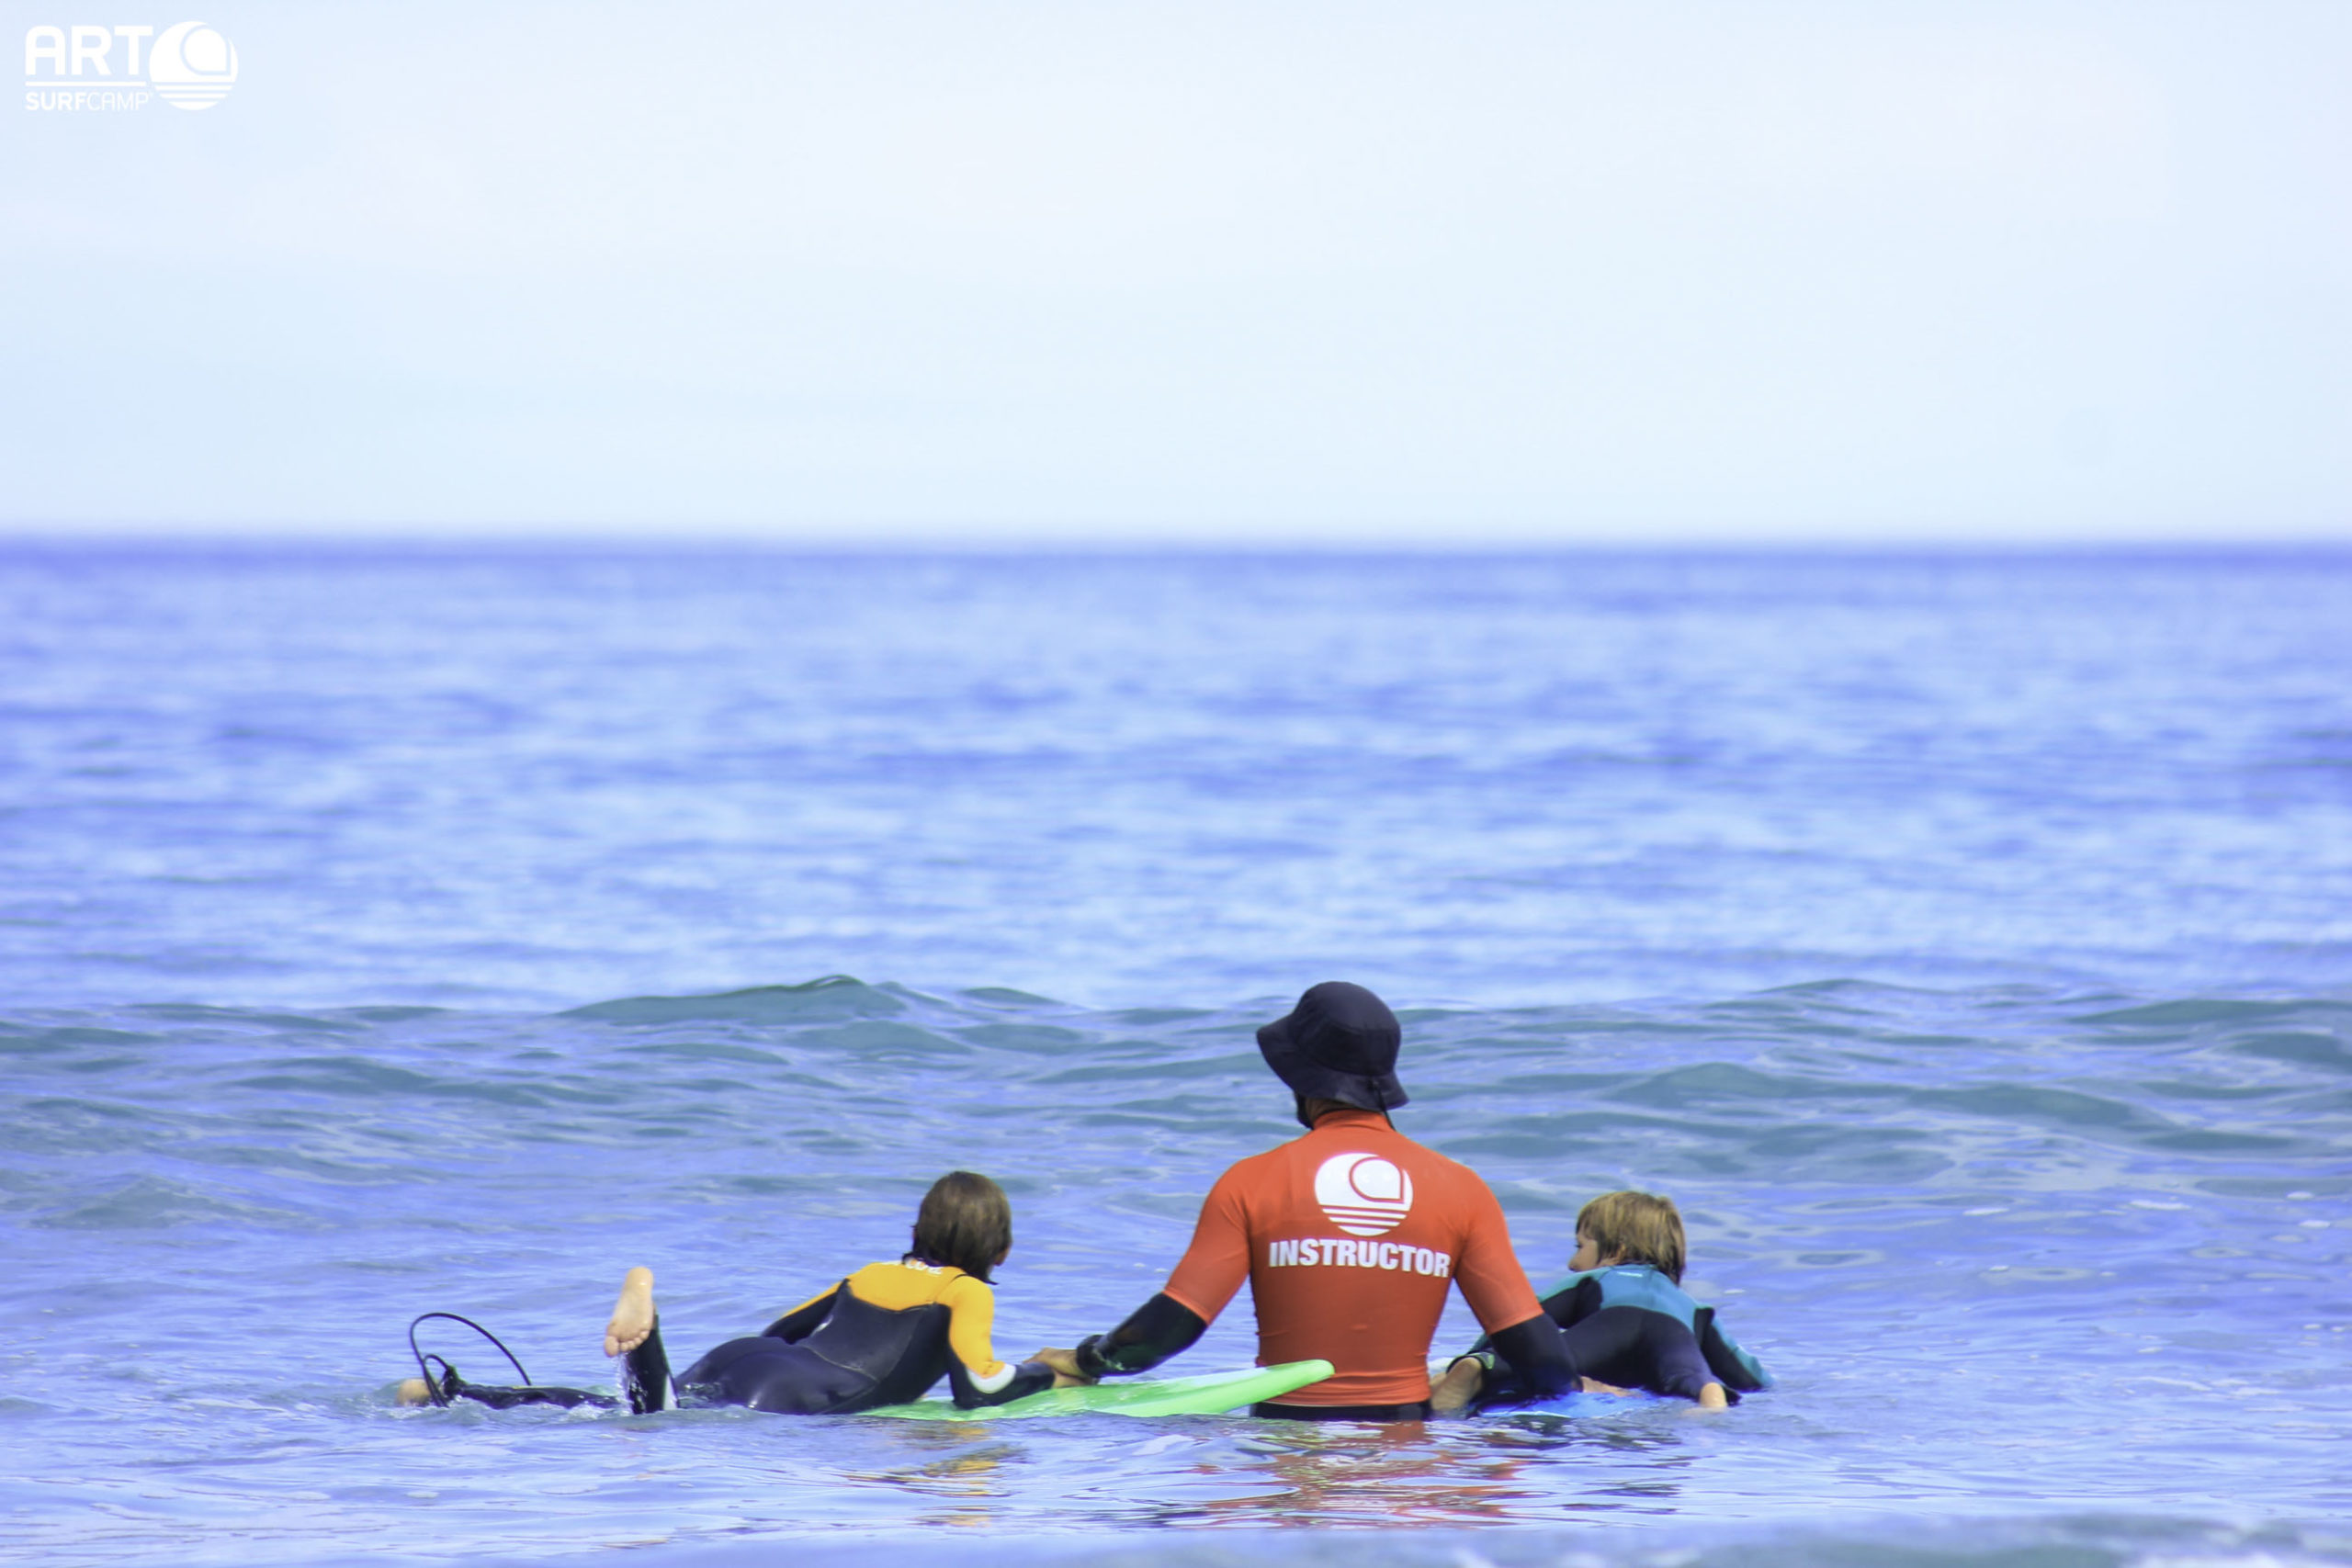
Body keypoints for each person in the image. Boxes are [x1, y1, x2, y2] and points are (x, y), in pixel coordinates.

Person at [1035, 981, 1582, 1421]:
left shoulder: (1251, 1182)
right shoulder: (1463, 1190)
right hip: (1406, 1454)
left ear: (1299, 1075)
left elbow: (1174, 1325)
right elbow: (1549, 1366)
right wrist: (1482, 1371)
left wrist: (1088, 1360)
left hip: (1284, 1449)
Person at [400, 1170, 1080, 1415]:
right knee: (649, 1417)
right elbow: (977, 1388)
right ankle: (648, 1324)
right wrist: (1044, 1376)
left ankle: (452, 1394)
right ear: (1001, 1251)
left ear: (919, 1230)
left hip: (749, 1357)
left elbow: (781, 1328)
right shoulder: (969, 1291)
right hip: (795, 1391)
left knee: (633, 1406)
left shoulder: (867, 1273)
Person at [1430, 1189, 1773, 1413]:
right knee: (1686, 1373)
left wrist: (1477, 1357)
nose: (1572, 1262)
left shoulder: (1596, 1279)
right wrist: (1760, 1384)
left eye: (1580, 1247)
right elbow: (1747, 1373)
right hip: (1673, 1335)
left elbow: (1517, 1321)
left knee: (1554, 1362)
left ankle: (1479, 1372)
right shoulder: (1693, 1308)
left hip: (1613, 1324)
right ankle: (1708, 1395)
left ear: (1616, 1253)